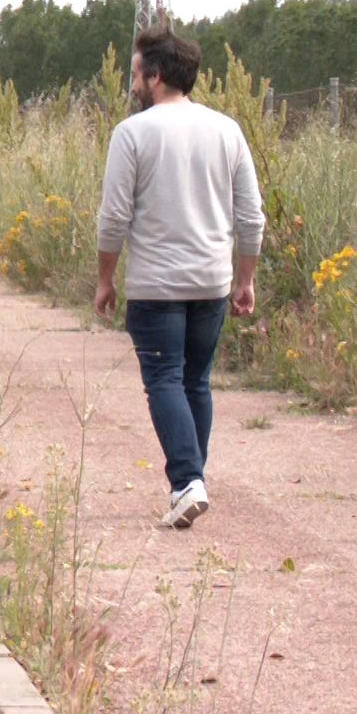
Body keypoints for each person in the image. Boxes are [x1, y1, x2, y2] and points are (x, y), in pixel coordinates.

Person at [94, 27, 264, 530]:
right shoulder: (227, 130)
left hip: (156, 286)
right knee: (196, 381)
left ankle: (188, 481)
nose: (132, 82)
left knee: (165, 380)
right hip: (212, 282)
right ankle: (192, 483)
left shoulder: (133, 133)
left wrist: (105, 278)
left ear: (156, 74)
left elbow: (113, 217)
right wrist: (246, 278)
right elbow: (251, 215)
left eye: (136, 72)